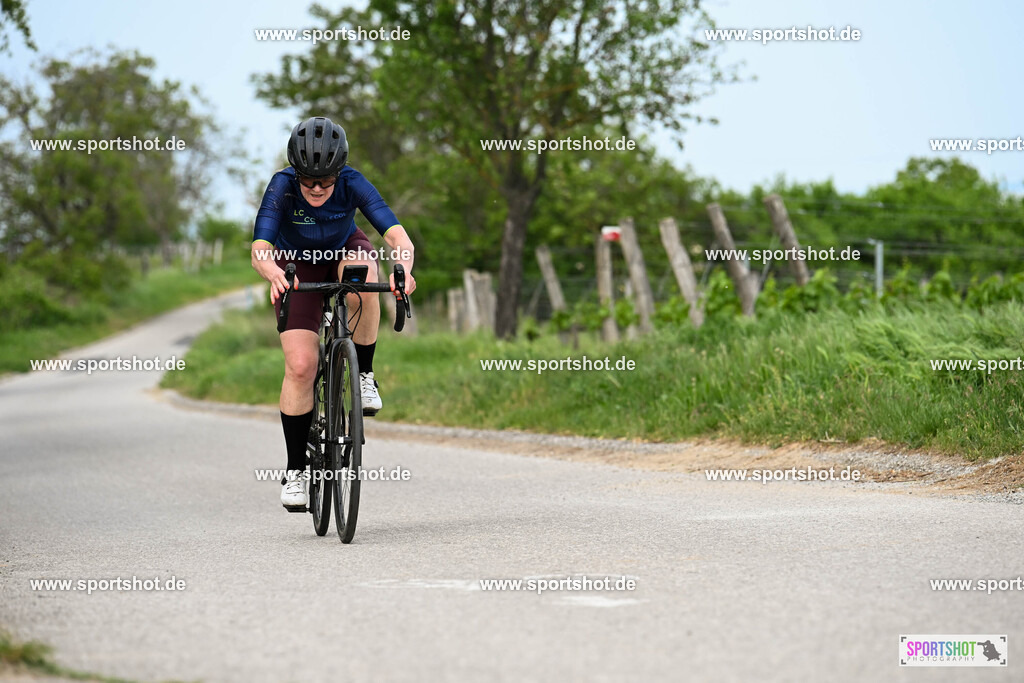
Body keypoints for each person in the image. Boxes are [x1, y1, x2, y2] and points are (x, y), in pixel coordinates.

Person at [251, 116, 416, 510]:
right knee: (301, 366)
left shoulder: (352, 182)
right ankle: (296, 470)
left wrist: (404, 269)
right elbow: (260, 248)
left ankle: (365, 374)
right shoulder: (281, 186)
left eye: (325, 179)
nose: (317, 188)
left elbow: (397, 236)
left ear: (338, 172)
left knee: (365, 273)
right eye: (308, 179)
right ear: (296, 172)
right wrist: (273, 272)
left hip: (344, 250)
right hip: (296, 266)